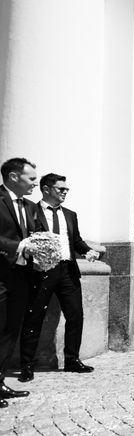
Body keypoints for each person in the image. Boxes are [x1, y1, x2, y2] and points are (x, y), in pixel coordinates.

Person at [18, 173, 105, 383]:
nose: (65, 192)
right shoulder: (31, 211)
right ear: (46, 189)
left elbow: (75, 240)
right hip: (42, 271)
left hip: (68, 270)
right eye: (61, 189)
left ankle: (72, 361)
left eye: (66, 189)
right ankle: (27, 366)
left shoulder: (70, 214)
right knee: (34, 317)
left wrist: (87, 252)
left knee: (76, 316)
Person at [0, 158, 39, 408]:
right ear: (14, 177)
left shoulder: (31, 206)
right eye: (32, 178)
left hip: (20, 279)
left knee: (9, 332)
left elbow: (32, 236)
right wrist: (18, 246)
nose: (35, 183)